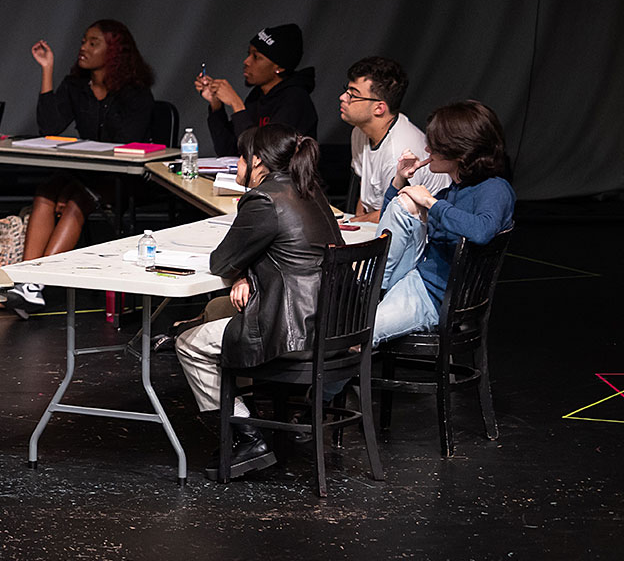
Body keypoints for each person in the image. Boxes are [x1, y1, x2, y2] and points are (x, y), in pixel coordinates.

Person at [171, 123, 340, 481]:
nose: (236, 164)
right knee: (218, 310)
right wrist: (246, 274)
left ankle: (247, 436)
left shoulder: (264, 199)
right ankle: (241, 417)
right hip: (329, 321)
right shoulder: (310, 191)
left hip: (292, 328)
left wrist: (240, 270)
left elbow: (221, 262)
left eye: (240, 157)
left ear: (257, 160)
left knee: (190, 345)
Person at [0, 19, 159, 311]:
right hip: (85, 171)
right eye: (84, 41)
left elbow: (127, 142)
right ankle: (24, 279)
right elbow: (49, 125)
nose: (83, 48)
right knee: (46, 192)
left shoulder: (135, 93)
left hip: (122, 178)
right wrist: (47, 70)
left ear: (114, 52)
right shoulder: (76, 86)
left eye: (93, 43)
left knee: (76, 201)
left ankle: (37, 283)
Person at [372, 100, 515, 345]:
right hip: (416, 278)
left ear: (460, 152)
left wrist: (431, 203)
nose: (427, 150)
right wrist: (399, 181)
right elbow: (388, 226)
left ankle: (367, 291)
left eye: (435, 146)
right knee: (402, 205)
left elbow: (482, 231)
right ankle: (370, 289)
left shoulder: (495, 189)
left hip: (436, 297)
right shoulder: (454, 191)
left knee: (355, 334)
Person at [340, 57, 449, 223]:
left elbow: (396, 212)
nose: (343, 97)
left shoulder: (399, 151)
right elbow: (365, 195)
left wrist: (351, 223)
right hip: (378, 223)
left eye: (353, 95)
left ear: (379, 108)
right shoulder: (359, 132)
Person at [197, 23, 317, 154]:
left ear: (279, 67)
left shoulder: (295, 100)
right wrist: (216, 106)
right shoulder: (257, 96)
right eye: (248, 54)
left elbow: (266, 156)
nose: (246, 61)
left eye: (256, 57)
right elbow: (228, 150)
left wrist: (236, 104)